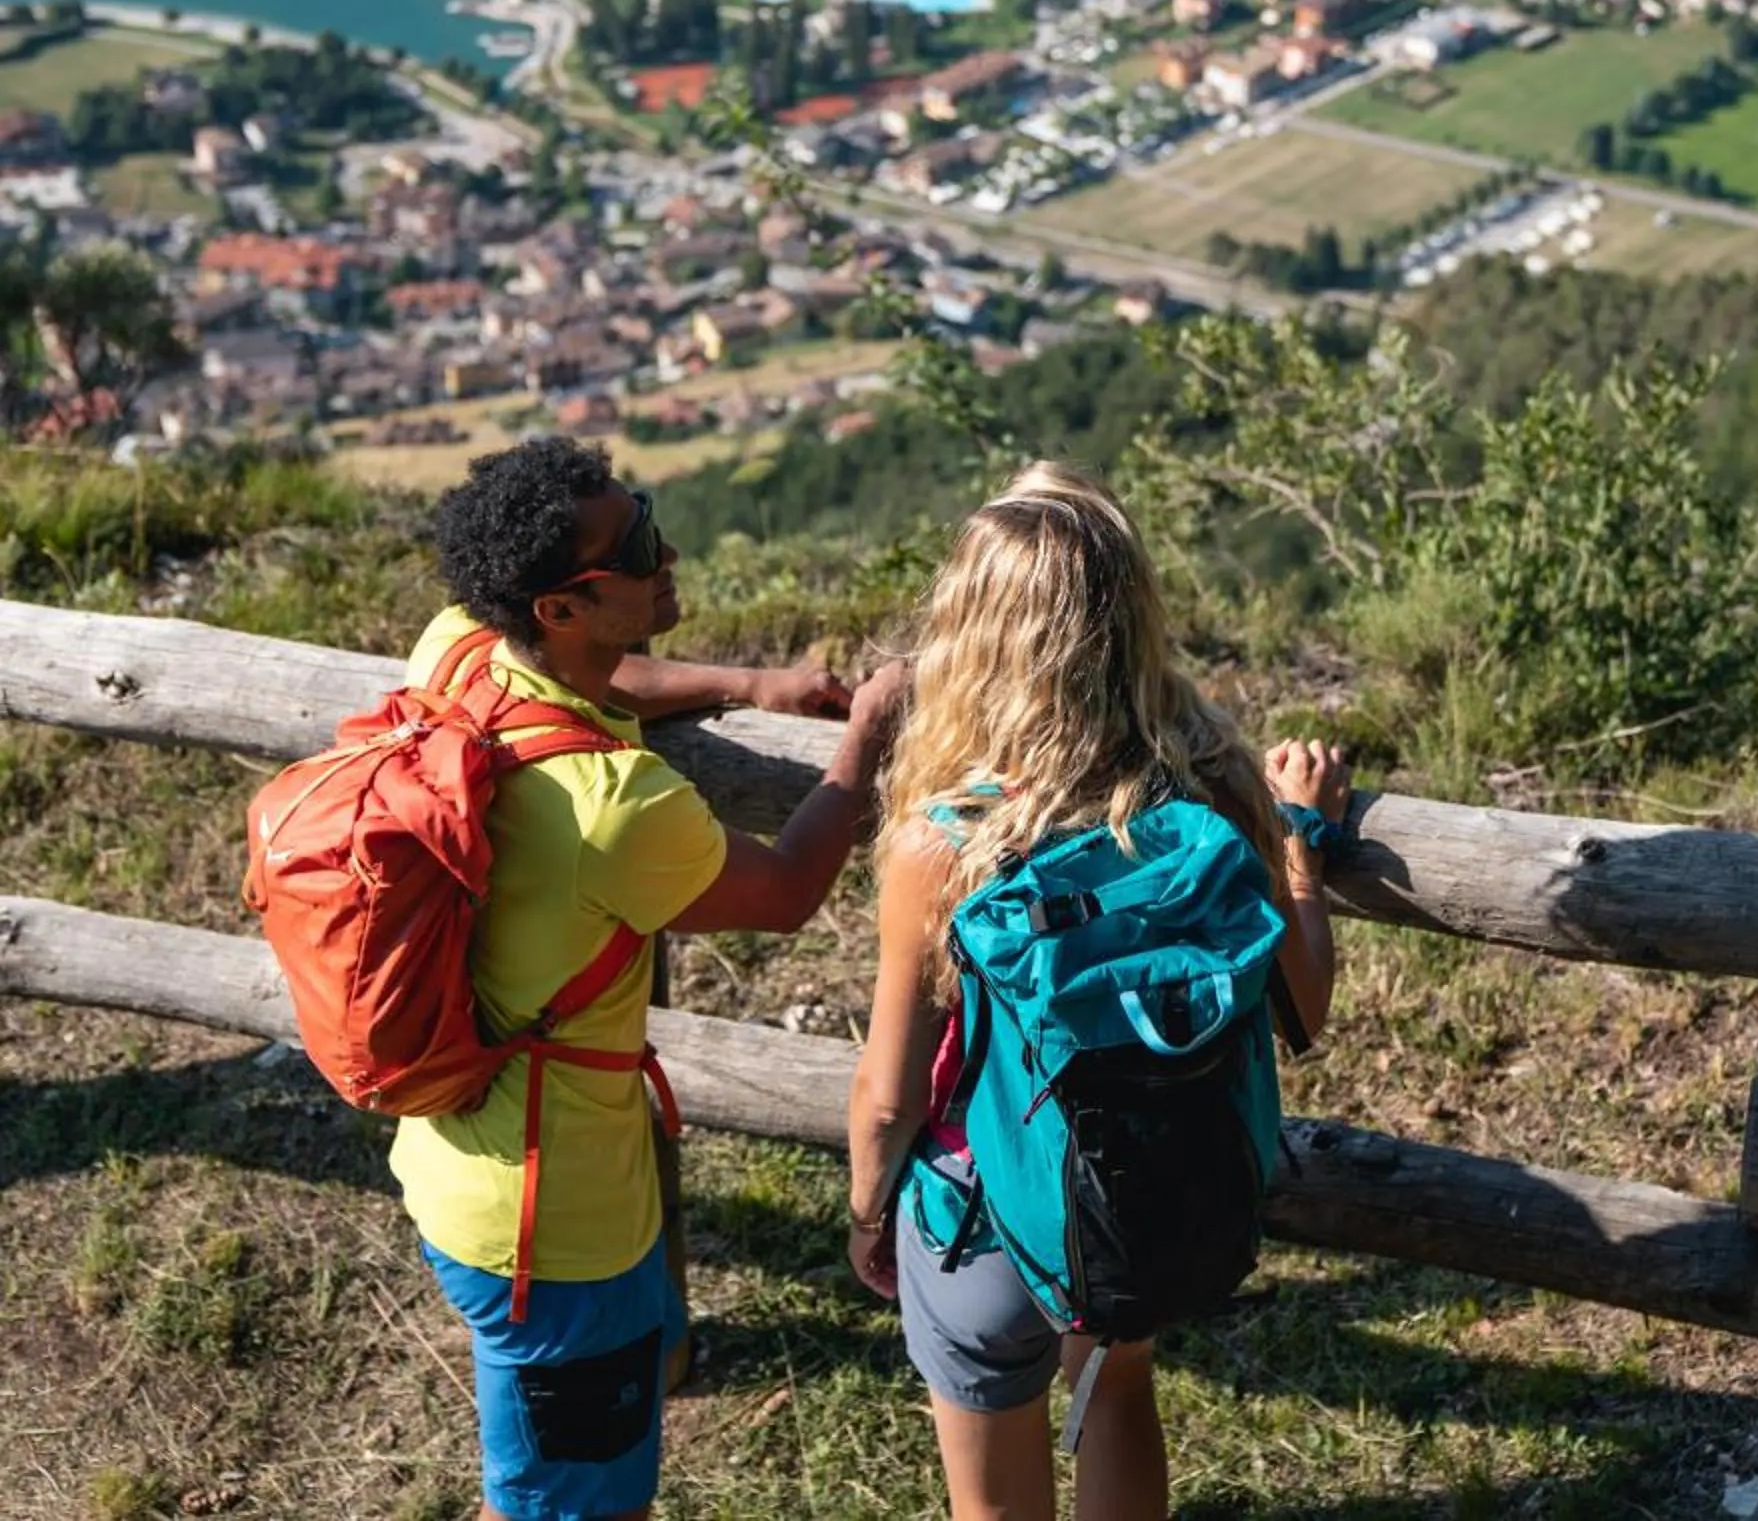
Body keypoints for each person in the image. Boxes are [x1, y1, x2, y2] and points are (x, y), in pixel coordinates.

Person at [393, 435, 906, 1521]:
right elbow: (781, 893)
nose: (663, 549)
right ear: (563, 606)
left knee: (543, 1473)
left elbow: (606, 673)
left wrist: (749, 683)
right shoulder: (611, 808)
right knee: (572, 1507)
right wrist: (860, 743)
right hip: (558, 1228)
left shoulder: (459, 650)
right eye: (633, 545)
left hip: (460, 1161)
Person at [847, 461, 1350, 1521]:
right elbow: (1302, 1000)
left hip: (980, 1216)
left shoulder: (945, 840)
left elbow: (889, 1095)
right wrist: (1299, 842)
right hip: (1134, 1189)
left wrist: (862, 1214)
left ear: (971, 635)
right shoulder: (1203, 788)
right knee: (1115, 1392)